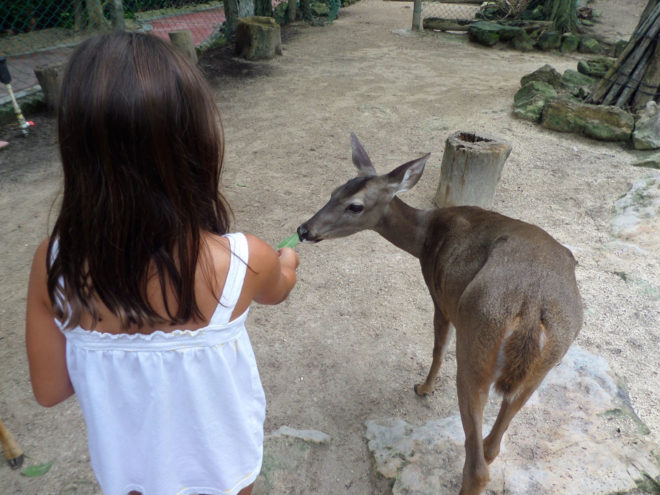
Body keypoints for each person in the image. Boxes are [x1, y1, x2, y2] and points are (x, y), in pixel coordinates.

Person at [25, 31, 299, 495]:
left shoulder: (54, 262)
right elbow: (280, 287)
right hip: (227, 477)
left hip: (128, 479)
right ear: (196, 143)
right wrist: (286, 261)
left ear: (76, 148)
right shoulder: (244, 259)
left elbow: (50, 389)